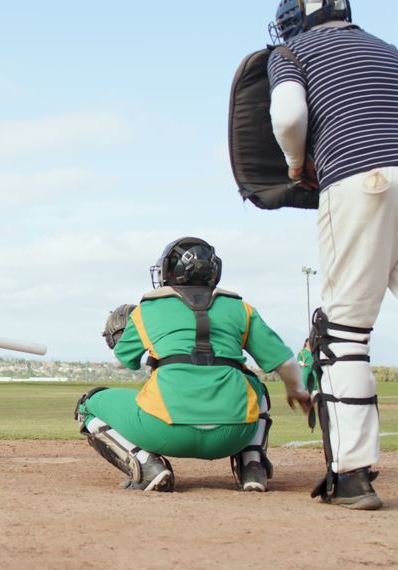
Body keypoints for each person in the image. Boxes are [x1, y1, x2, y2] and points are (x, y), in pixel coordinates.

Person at [267, 0, 398, 510]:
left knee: (343, 330)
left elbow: (289, 115)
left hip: (358, 180)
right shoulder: (388, 51)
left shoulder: (290, 51)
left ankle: (351, 477)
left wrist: (298, 164)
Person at [77, 237, 311, 492]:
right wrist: (296, 390)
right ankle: (252, 465)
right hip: (234, 436)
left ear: (168, 272)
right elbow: (285, 361)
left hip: (165, 431)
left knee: (88, 404)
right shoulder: (241, 308)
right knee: (256, 389)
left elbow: (125, 360)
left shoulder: (147, 309)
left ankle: (147, 465)